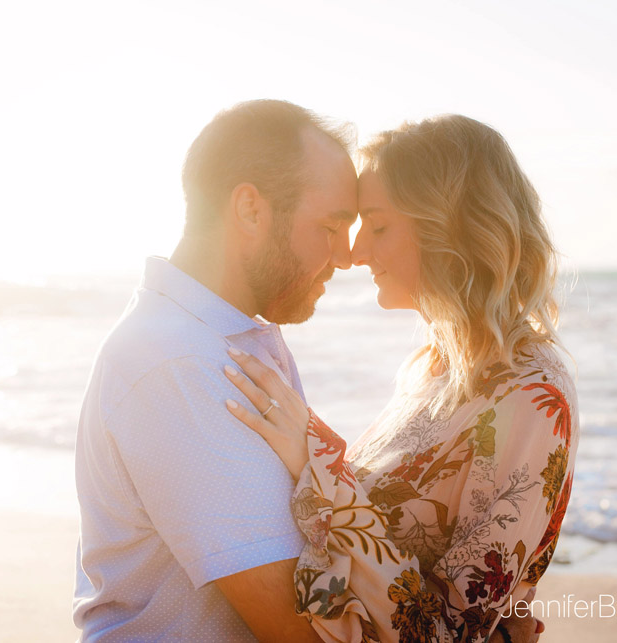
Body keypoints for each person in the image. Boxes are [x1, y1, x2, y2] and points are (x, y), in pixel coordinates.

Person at [73, 100, 541, 642]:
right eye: (332, 225)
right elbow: (298, 629)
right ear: (251, 210)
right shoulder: (182, 365)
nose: (347, 255)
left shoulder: (231, 341)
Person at [224, 115, 576, 642]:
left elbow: (447, 632)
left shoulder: (531, 397)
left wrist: (316, 456)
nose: (354, 253)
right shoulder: (433, 366)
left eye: (378, 226)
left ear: (451, 228)